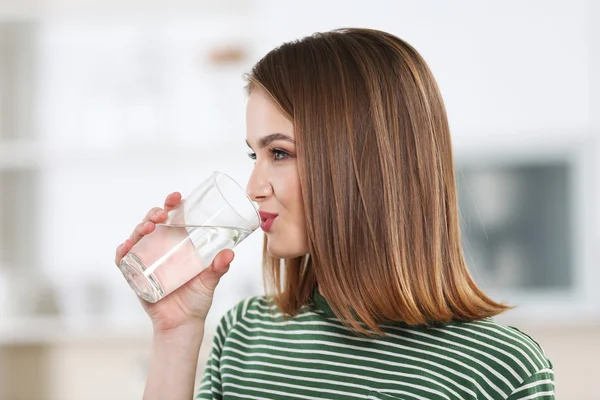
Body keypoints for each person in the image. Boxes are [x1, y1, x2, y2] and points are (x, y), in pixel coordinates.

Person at [114, 28, 555, 400]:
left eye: (280, 153)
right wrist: (175, 334)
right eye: (255, 156)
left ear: (364, 162)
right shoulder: (244, 337)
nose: (253, 188)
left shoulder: (501, 369)